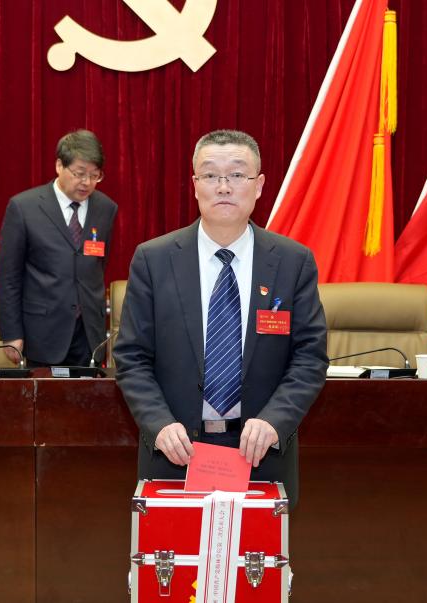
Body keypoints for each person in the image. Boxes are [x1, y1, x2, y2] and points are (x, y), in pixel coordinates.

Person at [113, 129, 328, 506]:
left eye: (237, 174)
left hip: (260, 454)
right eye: (211, 175)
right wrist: (159, 424)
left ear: (259, 186)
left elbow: (309, 358)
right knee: (173, 547)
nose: (224, 187)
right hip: (176, 452)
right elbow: (132, 358)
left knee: (258, 548)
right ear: (195, 185)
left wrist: (274, 421)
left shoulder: (293, 262)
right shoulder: (153, 259)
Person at [0, 130, 118, 366]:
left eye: (95, 175)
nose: (87, 182)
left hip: (88, 334)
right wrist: (11, 334)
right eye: (79, 173)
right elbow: (8, 277)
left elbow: (99, 265)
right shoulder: (24, 208)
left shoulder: (106, 208)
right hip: (42, 332)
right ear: (59, 166)